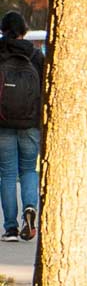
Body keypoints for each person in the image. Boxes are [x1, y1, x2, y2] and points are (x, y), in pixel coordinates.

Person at [0, 12, 41, 242]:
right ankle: (29, 208)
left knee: (7, 175)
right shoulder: (35, 55)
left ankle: (11, 229)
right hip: (30, 123)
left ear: (3, 30)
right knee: (28, 170)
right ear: (24, 31)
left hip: (3, 123)